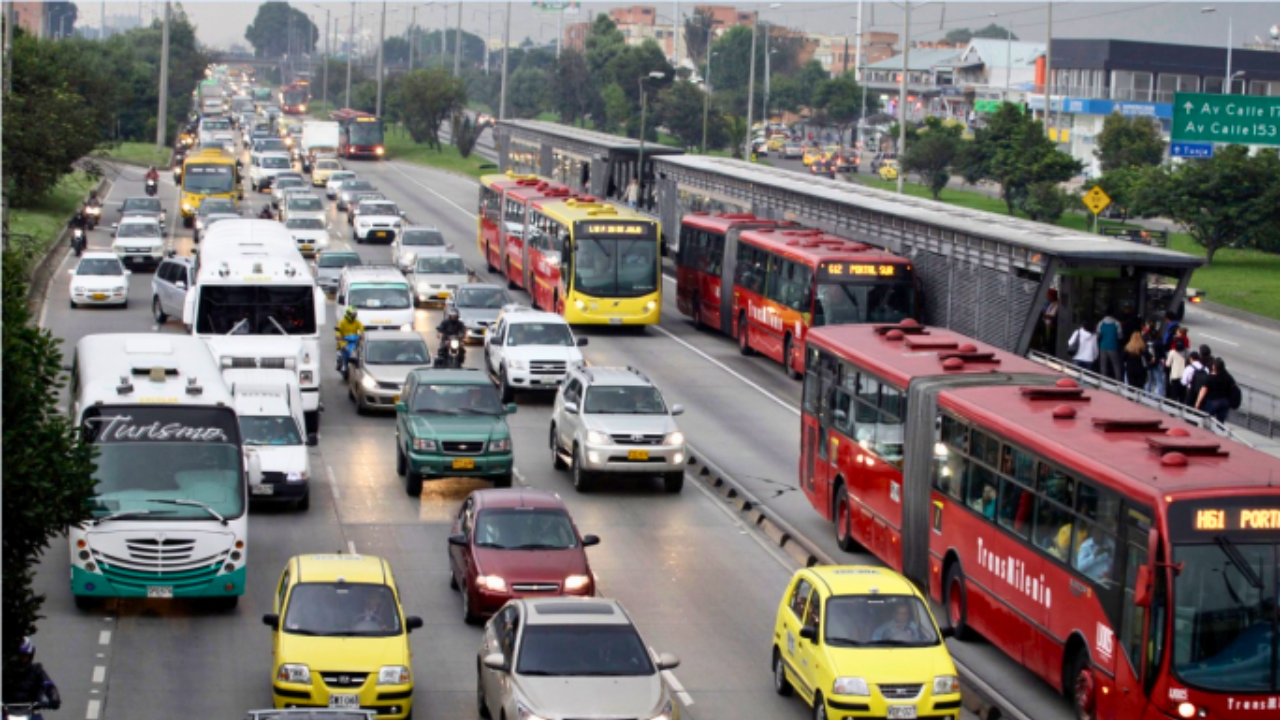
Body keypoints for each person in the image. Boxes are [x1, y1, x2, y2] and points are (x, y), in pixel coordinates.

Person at [3, 638, 62, 712]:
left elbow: (48, 685)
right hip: (5, 711)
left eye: (24, 657)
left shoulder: (36, 670)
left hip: (31, 712)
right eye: (16, 657)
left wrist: (54, 697)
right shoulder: (4, 671)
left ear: (30, 656)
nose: (20, 660)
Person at [1195, 358, 1235, 422]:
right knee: (1220, 423)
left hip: (1213, 401)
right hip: (1225, 402)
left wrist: (1198, 402)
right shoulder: (1228, 377)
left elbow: (1203, 390)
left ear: (1215, 367)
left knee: (1206, 419)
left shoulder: (1210, 378)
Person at [334, 306, 364, 370]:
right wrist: (338, 336)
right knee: (344, 349)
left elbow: (361, 328)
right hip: (344, 341)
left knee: (360, 349)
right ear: (348, 314)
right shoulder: (342, 322)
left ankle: (359, 363)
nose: (354, 316)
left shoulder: (357, 322)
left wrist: (361, 334)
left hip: (354, 341)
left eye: (355, 314)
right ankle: (343, 364)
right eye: (352, 314)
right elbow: (338, 330)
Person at [1097, 310, 1123, 380]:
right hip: (1113, 346)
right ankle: (1118, 381)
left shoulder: (1101, 323)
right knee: (1116, 365)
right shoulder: (1117, 323)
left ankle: (1103, 381)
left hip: (1103, 346)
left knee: (1103, 365)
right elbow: (1120, 336)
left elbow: (1098, 335)